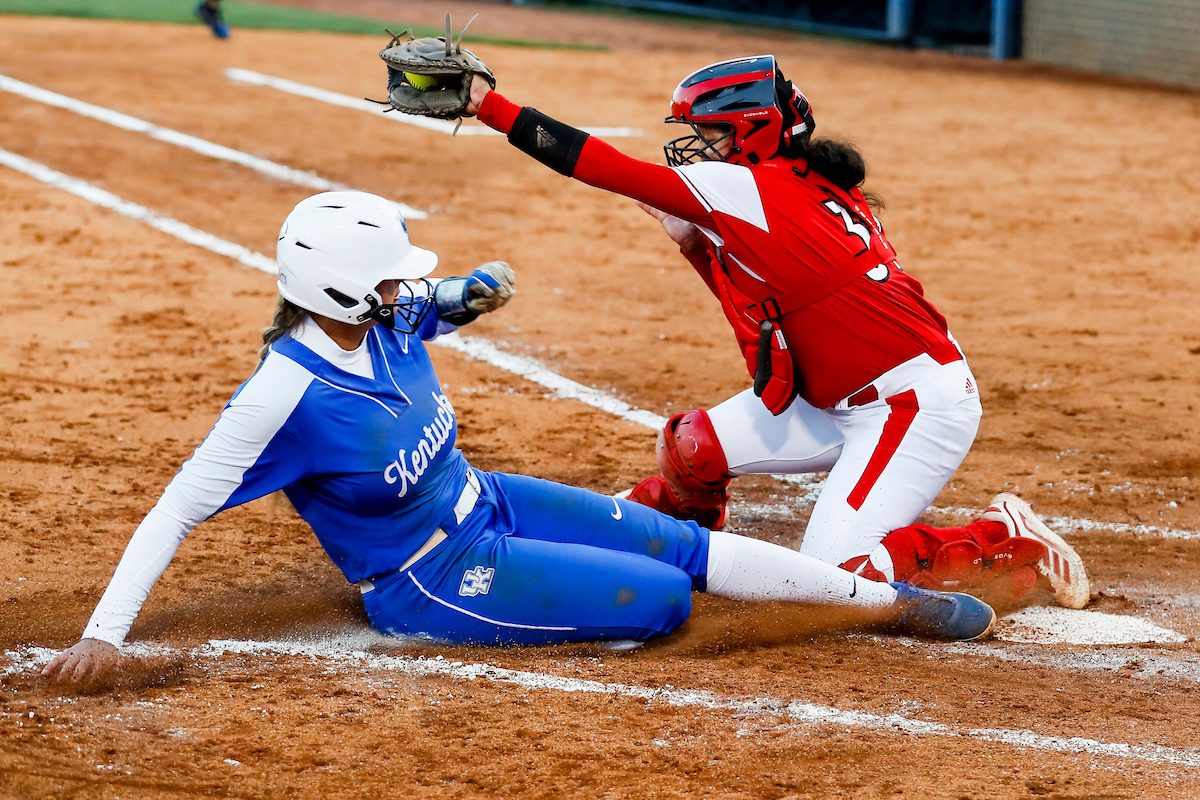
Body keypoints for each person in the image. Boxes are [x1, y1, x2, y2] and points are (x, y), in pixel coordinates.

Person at [44, 191, 998, 685]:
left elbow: (439, 301)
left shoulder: (381, 318)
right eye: (382, 282)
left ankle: (883, 603)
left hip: (486, 501)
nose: (397, 292)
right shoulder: (279, 399)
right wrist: (101, 637)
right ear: (335, 290)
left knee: (682, 543)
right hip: (431, 579)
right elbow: (173, 512)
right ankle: (846, 603)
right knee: (665, 599)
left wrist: (469, 291)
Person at [460, 56, 1089, 609]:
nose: (698, 148)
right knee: (694, 448)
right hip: (837, 397)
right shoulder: (802, 179)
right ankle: (677, 540)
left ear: (748, 131)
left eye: (708, 134)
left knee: (841, 579)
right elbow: (767, 293)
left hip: (911, 408)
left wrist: (488, 105)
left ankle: (1006, 540)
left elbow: (596, 164)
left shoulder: (748, 186)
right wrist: (696, 247)